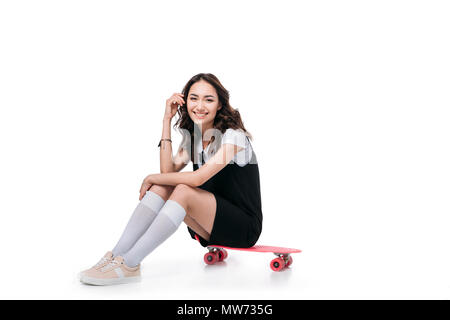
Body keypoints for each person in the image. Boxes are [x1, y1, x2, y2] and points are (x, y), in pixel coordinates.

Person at [79, 73, 263, 286]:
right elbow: (167, 172)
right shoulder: (195, 137)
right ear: (185, 102)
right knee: (162, 185)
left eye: (208, 99)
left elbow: (198, 177)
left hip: (243, 227)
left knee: (181, 188)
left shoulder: (234, 136)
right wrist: (166, 119)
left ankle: (130, 263)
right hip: (210, 226)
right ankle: (116, 256)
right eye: (194, 98)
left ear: (220, 104)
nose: (200, 106)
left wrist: (150, 177)